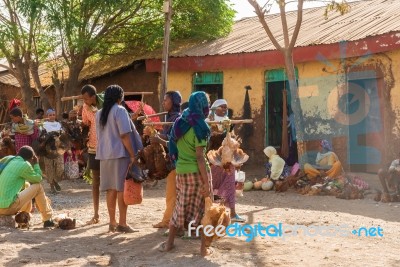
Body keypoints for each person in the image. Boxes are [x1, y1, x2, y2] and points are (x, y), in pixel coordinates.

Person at [159, 91, 213, 256]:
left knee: (180, 207)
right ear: (203, 106)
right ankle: (203, 249)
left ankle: (169, 244)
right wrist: (207, 182)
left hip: (181, 170)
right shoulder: (201, 127)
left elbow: (171, 142)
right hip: (197, 172)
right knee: (204, 209)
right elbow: (199, 157)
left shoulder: (179, 122)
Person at [95, 85, 143, 233]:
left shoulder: (99, 113)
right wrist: (132, 154)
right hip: (120, 154)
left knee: (111, 189)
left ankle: (112, 222)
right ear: (119, 97)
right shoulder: (120, 110)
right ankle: (122, 223)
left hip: (104, 155)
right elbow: (124, 135)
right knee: (122, 188)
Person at [207, 99, 245, 222]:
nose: (224, 109)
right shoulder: (208, 122)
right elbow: (209, 140)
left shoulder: (228, 122)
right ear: (214, 108)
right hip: (213, 160)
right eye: (221, 107)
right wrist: (222, 134)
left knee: (230, 185)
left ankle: (232, 213)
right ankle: (212, 213)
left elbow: (231, 141)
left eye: (226, 107)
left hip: (228, 160)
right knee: (211, 186)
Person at [0, 146, 54, 228]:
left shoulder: (10, 160)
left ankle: (24, 214)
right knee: (38, 187)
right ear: (31, 159)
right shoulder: (24, 165)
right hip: (7, 207)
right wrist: (36, 164)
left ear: (18, 153)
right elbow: (38, 179)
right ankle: (47, 219)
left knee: (27, 185)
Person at [151, 91, 182, 229]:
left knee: (172, 193)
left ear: (173, 102)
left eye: (166, 100)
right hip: (173, 160)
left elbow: (173, 140)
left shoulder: (175, 119)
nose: (163, 102)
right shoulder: (170, 117)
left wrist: (158, 138)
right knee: (173, 192)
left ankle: (168, 220)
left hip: (176, 160)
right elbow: (167, 135)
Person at [81, 84, 103, 225]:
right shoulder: (85, 108)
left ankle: (114, 218)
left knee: (111, 183)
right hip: (93, 148)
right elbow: (85, 123)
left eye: (86, 99)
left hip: (107, 148)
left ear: (93, 97)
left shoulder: (106, 106)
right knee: (95, 182)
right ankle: (96, 215)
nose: (84, 101)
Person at [42, 108, 64, 193]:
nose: (52, 116)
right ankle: (52, 185)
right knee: (49, 167)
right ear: (47, 116)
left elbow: (63, 135)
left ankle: (55, 180)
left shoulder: (59, 124)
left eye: (53, 115)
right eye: (50, 115)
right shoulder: (44, 124)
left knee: (60, 168)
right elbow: (42, 136)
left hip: (59, 148)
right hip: (48, 149)